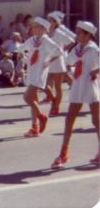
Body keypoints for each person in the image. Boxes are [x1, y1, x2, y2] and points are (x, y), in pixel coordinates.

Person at [51, 21, 100, 168]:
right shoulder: (77, 48)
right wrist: (70, 72)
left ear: (87, 35)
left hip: (91, 86)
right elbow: (68, 62)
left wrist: (95, 71)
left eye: (79, 33)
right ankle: (63, 154)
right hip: (78, 86)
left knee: (96, 121)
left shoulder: (93, 49)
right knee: (69, 119)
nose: (77, 35)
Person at [19, 17, 63, 137]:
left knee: (27, 98)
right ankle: (35, 127)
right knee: (33, 99)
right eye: (34, 26)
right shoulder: (32, 40)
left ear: (44, 29)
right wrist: (23, 56)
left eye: (38, 26)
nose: (34, 28)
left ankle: (42, 117)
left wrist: (48, 61)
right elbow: (22, 48)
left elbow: (59, 52)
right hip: (31, 71)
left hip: (40, 72)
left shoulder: (47, 41)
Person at [44, 12, 75, 115]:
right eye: (47, 20)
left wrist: (63, 49)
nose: (48, 22)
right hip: (48, 62)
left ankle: (56, 106)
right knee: (45, 86)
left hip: (58, 62)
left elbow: (72, 41)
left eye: (50, 20)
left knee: (58, 87)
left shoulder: (59, 33)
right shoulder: (46, 33)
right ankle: (54, 102)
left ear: (55, 22)